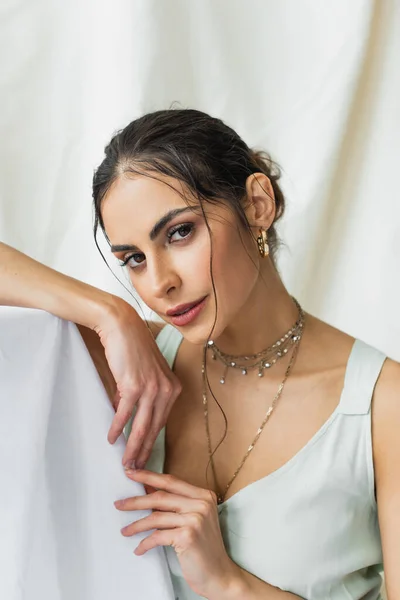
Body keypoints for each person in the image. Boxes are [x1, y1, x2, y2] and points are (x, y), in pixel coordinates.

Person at [0, 108, 398, 600]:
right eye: (134, 260)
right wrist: (109, 312)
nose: (159, 282)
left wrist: (229, 585)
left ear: (257, 204)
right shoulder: (133, 366)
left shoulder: (383, 408)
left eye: (180, 232)